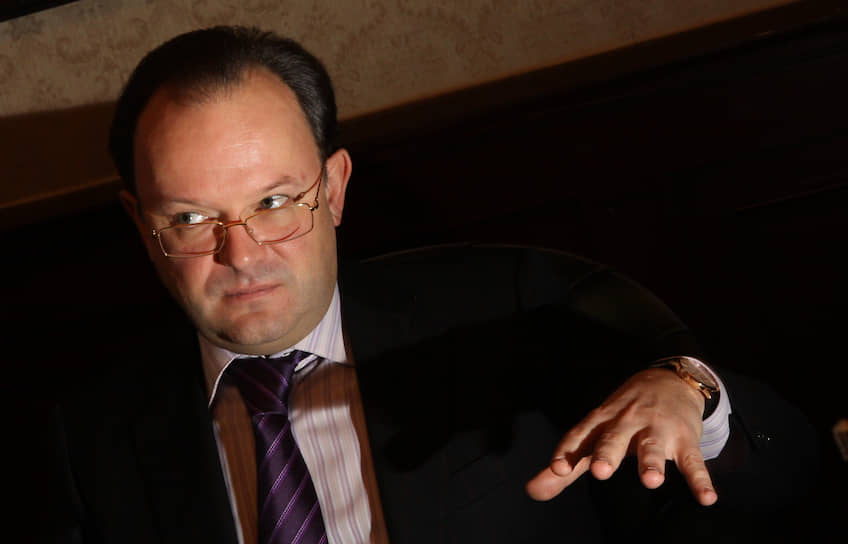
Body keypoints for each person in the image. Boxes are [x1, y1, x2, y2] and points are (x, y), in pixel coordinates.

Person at [49, 26, 816, 543]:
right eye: (190, 218)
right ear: (140, 222)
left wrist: (692, 394)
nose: (241, 253)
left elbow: (801, 490)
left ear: (334, 188)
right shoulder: (90, 439)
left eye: (275, 202)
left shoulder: (510, 310)